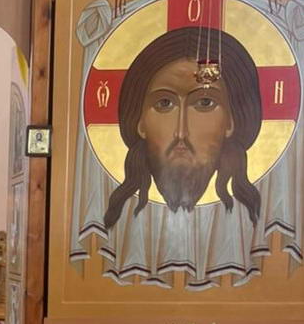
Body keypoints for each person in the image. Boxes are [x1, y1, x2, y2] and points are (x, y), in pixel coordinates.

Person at [103, 27, 262, 230]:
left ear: (231, 122)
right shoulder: (128, 225)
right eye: (164, 103)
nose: (181, 133)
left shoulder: (241, 225)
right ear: (140, 123)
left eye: (205, 103)